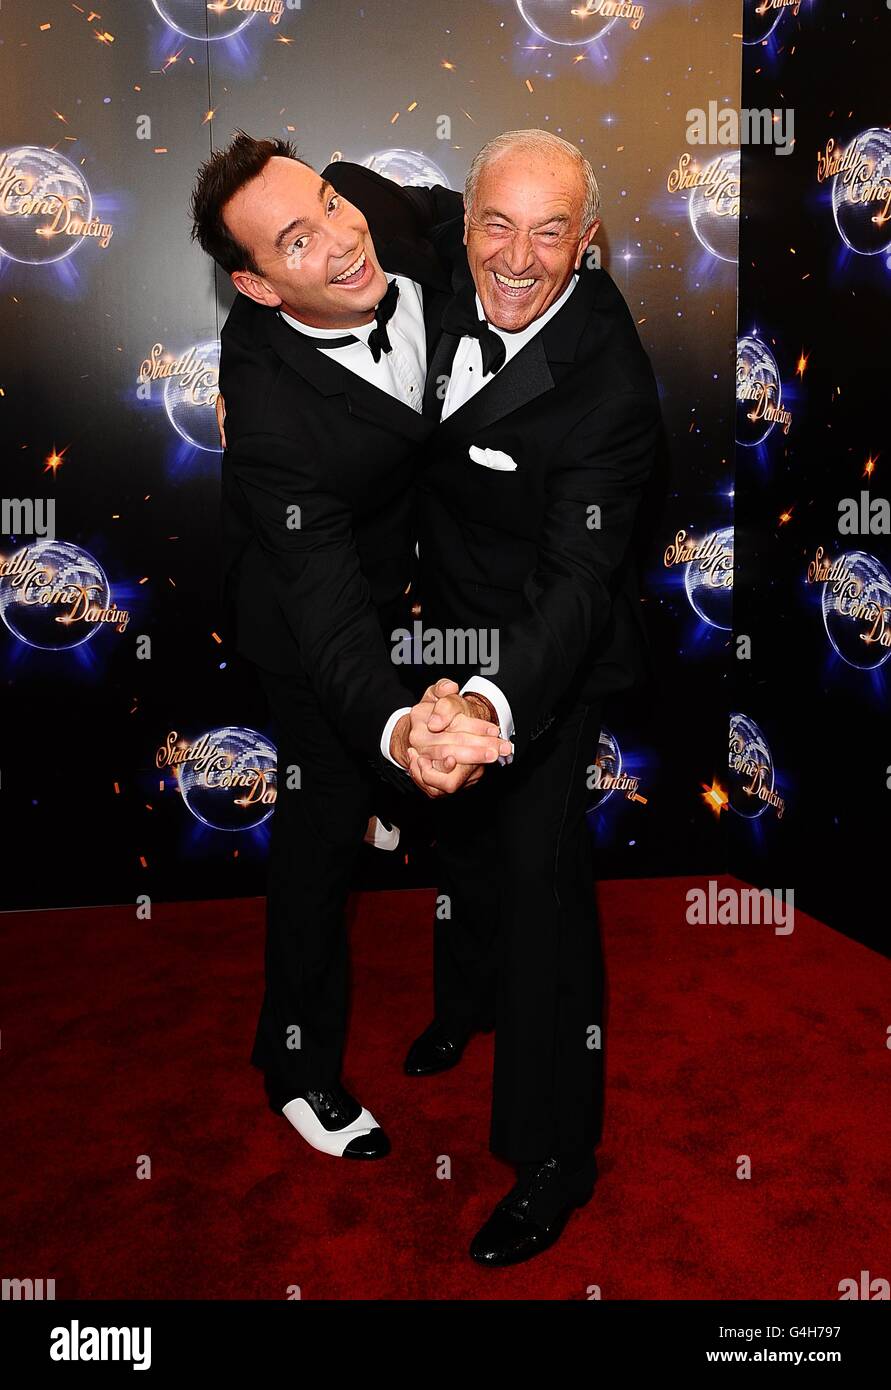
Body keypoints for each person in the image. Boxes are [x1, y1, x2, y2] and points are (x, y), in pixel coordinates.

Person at [190, 132, 509, 1162]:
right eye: (297, 238)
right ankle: (296, 1067)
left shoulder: (376, 206)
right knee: (322, 833)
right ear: (256, 284)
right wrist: (388, 728)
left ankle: (467, 999)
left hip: (425, 570)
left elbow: (470, 221)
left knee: (474, 789)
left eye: (328, 202)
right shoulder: (272, 409)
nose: (340, 235)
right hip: (309, 612)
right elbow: (325, 606)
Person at [389, 129, 664, 1265]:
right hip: (440, 607)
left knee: (543, 881)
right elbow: (344, 198)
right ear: (463, 223)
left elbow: (578, 583)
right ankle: (467, 1001)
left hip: (551, 643)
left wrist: (494, 708)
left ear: (585, 243)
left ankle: (556, 1157)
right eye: (497, 225)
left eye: (552, 233)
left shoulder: (608, 380)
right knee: (456, 839)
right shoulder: (444, 247)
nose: (517, 257)